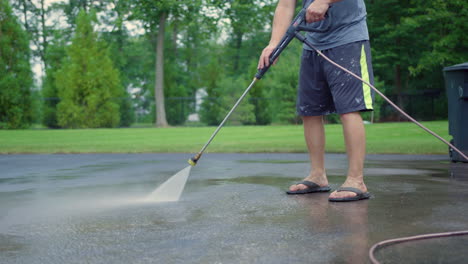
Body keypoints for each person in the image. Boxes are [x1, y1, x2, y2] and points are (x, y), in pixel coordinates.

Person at [258, 0, 374, 202]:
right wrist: (273, 43)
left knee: (348, 109)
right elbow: (286, 5)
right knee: (309, 111)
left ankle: (356, 180)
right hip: (313, 43)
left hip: (347, 38)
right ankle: (317, 175)